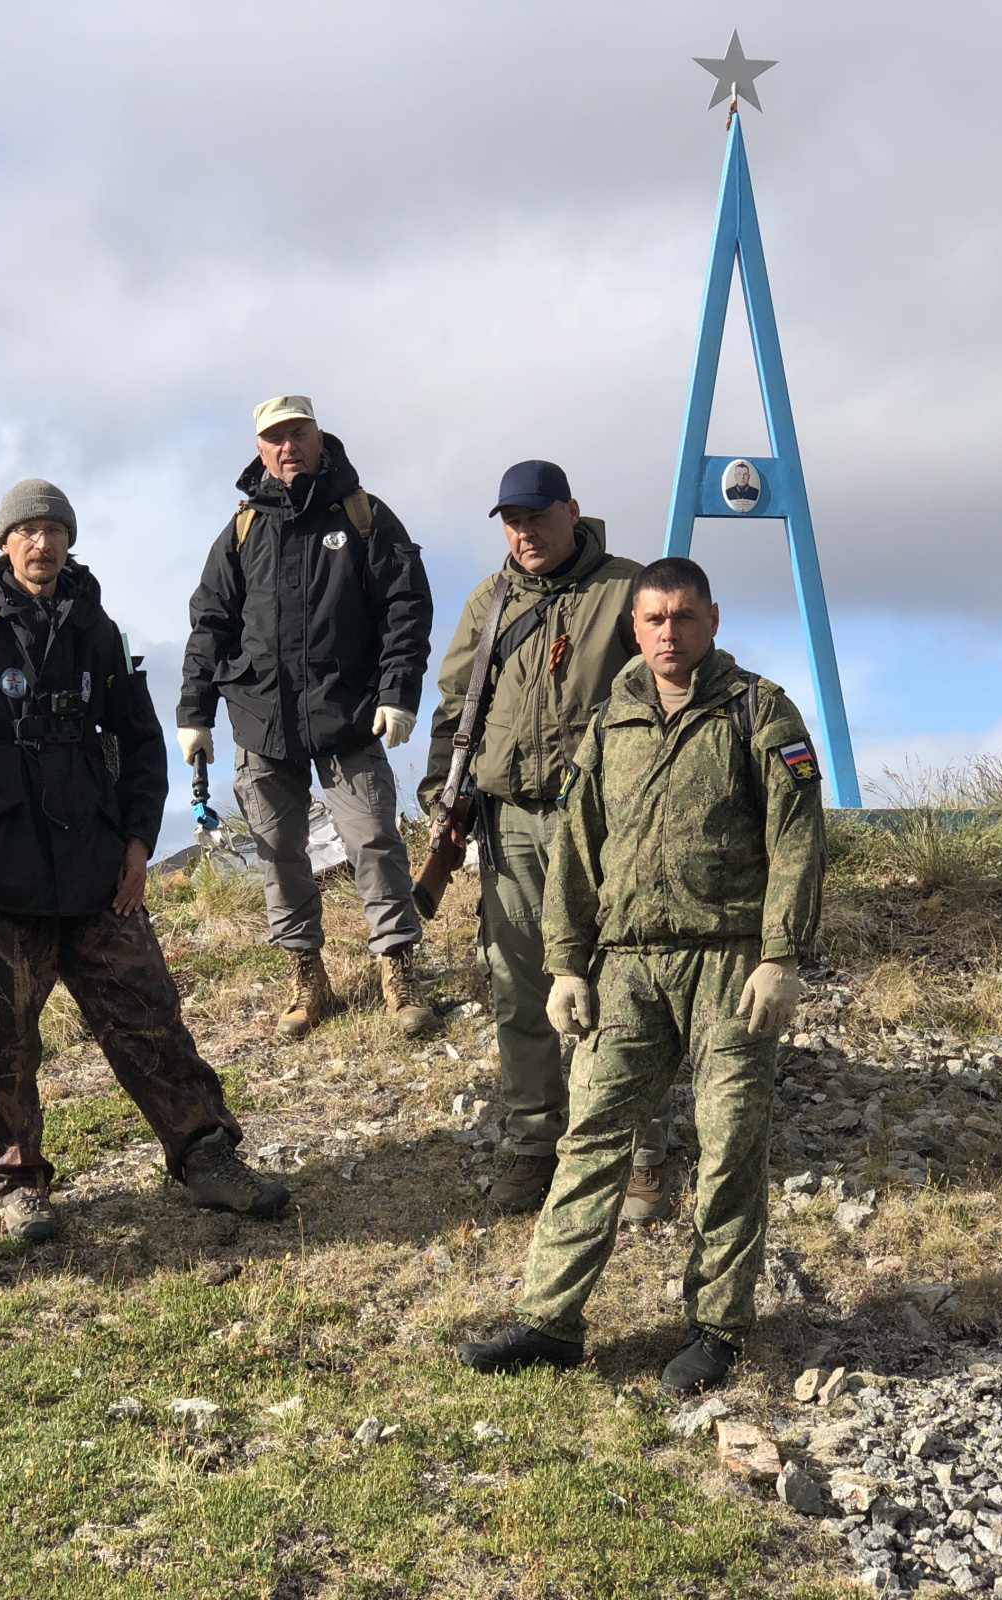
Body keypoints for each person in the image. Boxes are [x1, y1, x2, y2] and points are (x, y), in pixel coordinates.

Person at [456, 556, 826, 1394]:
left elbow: (797, 837)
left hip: (730, 962)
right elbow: (573, 850)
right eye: (654, 619)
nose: (669, 633)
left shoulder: (757, 711)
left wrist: (781, 954)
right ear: (634, 627)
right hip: (626, 966)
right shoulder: (611, 720)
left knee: (730, 1142)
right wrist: (563, 964)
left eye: (684, 617)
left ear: (713, 620)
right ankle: (549, 1322)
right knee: (589, 1136)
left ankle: (716, 1329)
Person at [0, 478, 289, 1244]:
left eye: (54, 530)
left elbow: (145, 749)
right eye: (27, 532)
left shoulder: (100, 632)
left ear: (69, 541)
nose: (41, 543)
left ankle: (207, 1159)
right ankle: (18, 1185)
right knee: (0, 1041)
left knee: (150, 1022)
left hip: (96, 877)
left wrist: (140, 846)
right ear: (4, 544)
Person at [418, 460, 673, 1220]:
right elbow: (456, 706)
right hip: (511, 823)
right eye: (510, 520)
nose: (522, 532)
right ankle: (532, 1143)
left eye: (535, 516)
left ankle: (637, 1149)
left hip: (605, 818)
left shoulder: (630, 589)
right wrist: (443, 799)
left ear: (572, 511)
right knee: (518, 987)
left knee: (623, 986)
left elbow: (671, 689)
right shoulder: (488, 601)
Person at [177, 395, 438, 1040]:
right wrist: (195, 711)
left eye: (297, 433)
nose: (286, 447)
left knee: (374, 840)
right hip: (260, 720)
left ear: (320, 437)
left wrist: (398, 692)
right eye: (274, 438)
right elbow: (209, 623)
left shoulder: (365, 516)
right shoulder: (240, 530)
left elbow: (407, 606)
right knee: (278, 853)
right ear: (260, 449)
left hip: (350, 718)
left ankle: (398, 970)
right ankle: (306, 978)